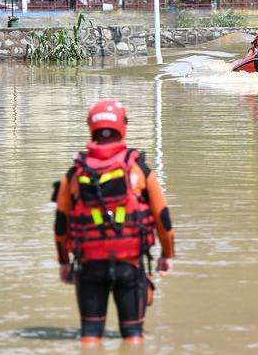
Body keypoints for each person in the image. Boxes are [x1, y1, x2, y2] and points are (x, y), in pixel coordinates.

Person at [53, 99, 175, 345]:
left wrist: (64, 263)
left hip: (89, 267)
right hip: (129, 265)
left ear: (91, 127)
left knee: (89, 336)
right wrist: (166, 254)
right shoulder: (139, 169)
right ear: (123, 126)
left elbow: (61, 226)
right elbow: (163, 217)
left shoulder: (75, 172)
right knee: (133, 336)